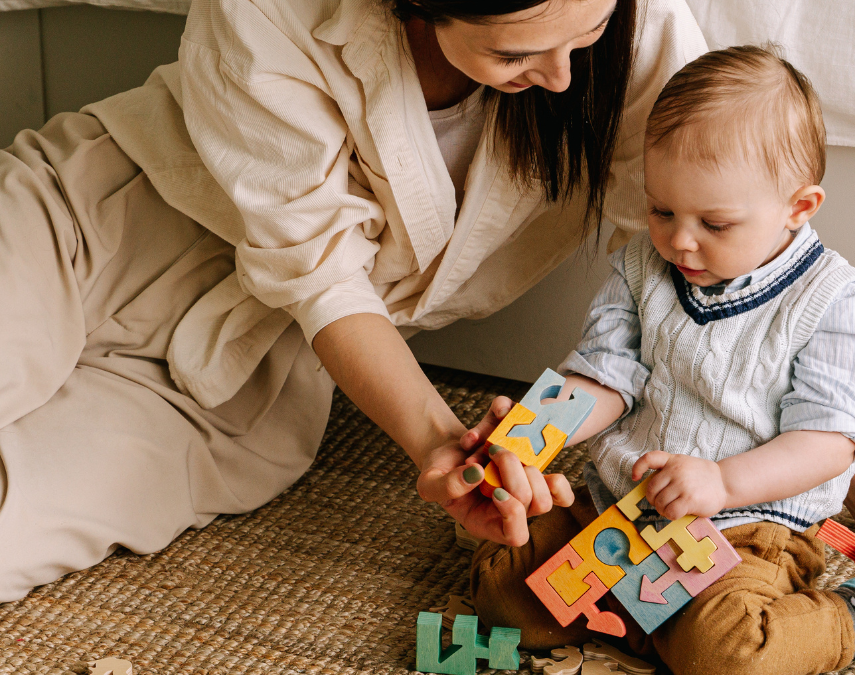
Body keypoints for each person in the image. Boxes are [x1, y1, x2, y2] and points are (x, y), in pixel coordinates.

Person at [0, 0, 709, 603]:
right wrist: (438, 436)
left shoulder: (642, 25)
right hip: (89, 225)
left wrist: (468, 445)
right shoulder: (269, 9)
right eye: (515, 54)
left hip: (248, 376)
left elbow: (682, 265)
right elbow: (320, 274)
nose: (562, 77)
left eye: (589, 34)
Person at [470, 46, 855, 673]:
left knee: (729, 654)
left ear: (798, 208)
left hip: (749, 529)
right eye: (662, 210)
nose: (679, 241)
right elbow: (605, 374)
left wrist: (723, 483)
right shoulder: (645, 266)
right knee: (502, 597)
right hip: (621, 510)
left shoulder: (833, 301)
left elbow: (830, 444)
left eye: (715, 224)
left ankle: (854, 619)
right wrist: (529, 431)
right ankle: (650, 624)